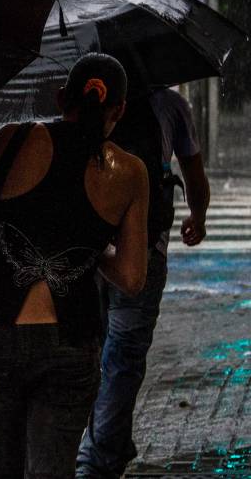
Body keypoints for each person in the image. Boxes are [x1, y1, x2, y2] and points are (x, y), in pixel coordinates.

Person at [0, 53, 149, 478]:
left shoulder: (13, 140)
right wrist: (92, 247)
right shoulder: (130, 172)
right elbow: (131, 277)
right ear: (119, 110)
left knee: (5, 468)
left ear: (60, 97)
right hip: (70, 340)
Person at [76, 86, 210, 478]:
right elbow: (194, 177)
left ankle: (107, 445)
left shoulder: (82, 100)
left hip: (86, 252)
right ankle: (97, 461)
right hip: (145, 253)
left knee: (91, 351)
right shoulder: (170, 105)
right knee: (122, 359)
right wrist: (197, 218)